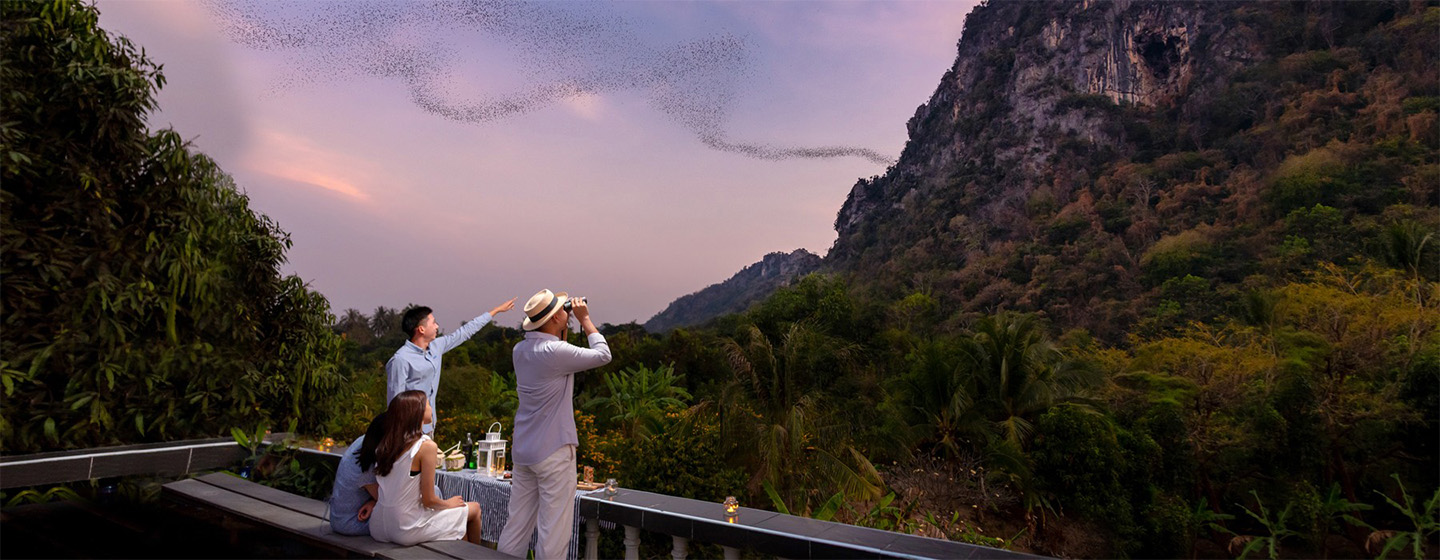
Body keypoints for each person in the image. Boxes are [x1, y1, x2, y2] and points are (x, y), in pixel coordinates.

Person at [497, 289, 611, 560]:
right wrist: (584, 319)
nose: (566, 313)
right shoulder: (556, 352)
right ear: (552, 319)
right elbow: (603, 354)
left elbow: (554, 350)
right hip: (553, 452)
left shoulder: (520, 349)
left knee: (516, 526)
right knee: (553, 532)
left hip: (524, 451)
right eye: (562, 311)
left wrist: (563, 321)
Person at [369, 390, 483, 546]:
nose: (431, 407)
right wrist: (449, 503)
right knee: (474, 509)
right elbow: (429, 500)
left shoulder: (387, 445)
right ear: (418, 412)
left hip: (378, 526)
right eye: (428, 404)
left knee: (457, 520)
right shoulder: (426, 446)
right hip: (404, 527)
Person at [386, 299, 516, 434]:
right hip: (408, 431)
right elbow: (394, 403)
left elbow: (464, 332)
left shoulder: (436, 346)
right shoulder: (400, 359)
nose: (437, 326)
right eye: (433, 322)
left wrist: (495, 311)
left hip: (429, 427)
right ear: (421, 329)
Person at [327, 413, 387, 536]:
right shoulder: (366, 466)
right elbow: (387, 500)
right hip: (351, 523)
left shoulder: (362, 442)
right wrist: (374, 502)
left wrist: (372, 502)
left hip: (339, 518)